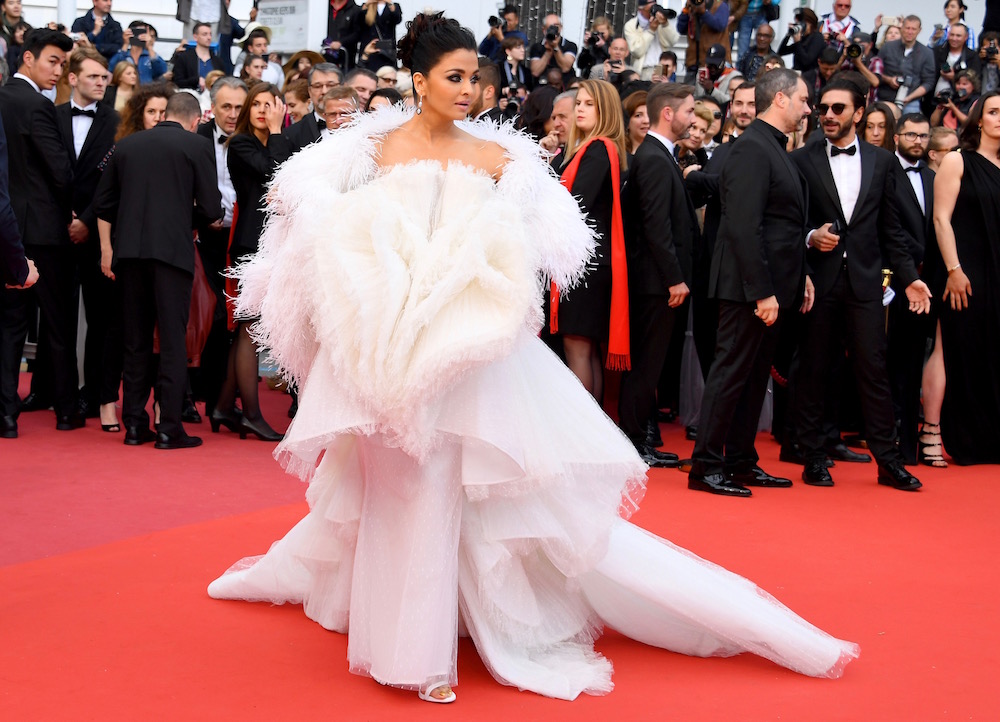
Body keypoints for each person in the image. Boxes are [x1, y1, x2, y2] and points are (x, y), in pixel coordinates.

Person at [206, 13, 859, 704]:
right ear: (418, 80)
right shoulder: (362, 150)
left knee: (432, 486)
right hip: (375, 347)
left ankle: (417, 655)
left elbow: (539, 250)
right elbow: (305, 216)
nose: (466, 89)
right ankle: (399, 617)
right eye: (452, 77)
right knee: (388, 488)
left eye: (473, 78)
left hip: (463, 349)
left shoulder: (500, 161)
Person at [791, 78, 931, 490]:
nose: (829, 115)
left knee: (873, 370)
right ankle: (814, 457)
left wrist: (910, 279)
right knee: (815, 369)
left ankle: (888, 461)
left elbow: (892, 229)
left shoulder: (882, 161)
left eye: (838, 109)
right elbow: (786, 221)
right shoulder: (802, 159)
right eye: (824, 108)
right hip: (819, 281)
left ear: (859, 110)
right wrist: (810, 236)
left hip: (867, 283)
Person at [689, 69, 809, 497]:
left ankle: (740, 462)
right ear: (780, 99)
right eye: (803, 100)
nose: (807, 108)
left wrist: (802, 277)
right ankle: (706, 465)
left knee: (754, 378)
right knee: (730, 375)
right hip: (748, 289)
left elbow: (786, 227)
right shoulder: (752, 149)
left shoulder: (772, 148)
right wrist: (761, 291)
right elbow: (742, 226)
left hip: (771, 288)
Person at [94, 91, 222, 450]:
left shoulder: (127, 146)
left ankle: (134, 425)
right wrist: (185, 217)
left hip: (130, 254)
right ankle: (169, 428)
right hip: (172, 254)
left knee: (134, 341)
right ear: (196, 120)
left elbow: (103, 203)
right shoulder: (196, 147)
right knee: (171, 340)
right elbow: (212, 209)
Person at [0, 28, 78, 438]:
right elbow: (61, 172)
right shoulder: (36, 105)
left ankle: (6, 415)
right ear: (28, 58)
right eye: (53, 60)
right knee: (57, 322)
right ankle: (66, 410)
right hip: (44, 232)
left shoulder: (3, 98)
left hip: (6, 228)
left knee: (10, 325)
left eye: (64, 64)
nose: (58, 70)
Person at [618, 83, 697, 468]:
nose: (693, 119)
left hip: (656, 282)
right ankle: (634, 446)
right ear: (668, 113)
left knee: (649, 368)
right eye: (689, 111)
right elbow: (655, 225)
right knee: (644, 369)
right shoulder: (652, 157)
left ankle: (639, 443)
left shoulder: (656, 155)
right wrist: (674, 278)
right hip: (655, 285)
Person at [210, 82, 290, 441]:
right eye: (255, 104)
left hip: (271, 245)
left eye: (268, 104)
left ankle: (225, 407)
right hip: (250, 245)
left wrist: (276, 135)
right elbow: (276, 175)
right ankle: (252, 415)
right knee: (249, 329)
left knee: (250, 328)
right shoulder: (240, 143)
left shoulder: (274, 142)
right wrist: (276, 131)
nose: (261, 110)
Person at [931, 89, 1000, 464]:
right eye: (993, 112)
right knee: (968, 352)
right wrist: (954, 271)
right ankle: (968, 441)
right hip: (966, 273)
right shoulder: (958, 161)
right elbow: (941, 219)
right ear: (978, 119)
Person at [549, 79, 629, 403]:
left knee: (578, 349)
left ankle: (585, 436)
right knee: (585, 350)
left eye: (588, 104)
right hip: (589, 263)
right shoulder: (591, 148)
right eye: (578, 103)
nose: (580, 108)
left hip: (586, 265)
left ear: (605, 109)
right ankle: (593, 437)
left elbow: (574, 203)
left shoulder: (598, 149)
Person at [55, 47, 120, 429]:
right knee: (56, 318)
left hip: (100, 235)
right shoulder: (52, 116)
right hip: (57, 231)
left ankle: (95, 394)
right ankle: (53, 392)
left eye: (104, 77)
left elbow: (112, 184)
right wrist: (67, 219)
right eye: (93, 76)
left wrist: (87, 220)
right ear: (72, 77)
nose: (100, 82)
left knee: (101, 320)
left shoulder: (116, 120)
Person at [885, 113, 936, 464]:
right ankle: (886, 440)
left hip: (927, 284)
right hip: (891, 282)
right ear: (897, 137)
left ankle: (907, 447)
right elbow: (887, 228)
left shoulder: (934, 178)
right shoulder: (885, 173)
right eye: (911, 135)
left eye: (923, 136)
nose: (917, 141)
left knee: (914, 362)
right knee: (888, 363)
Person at [195, 76, 246, 419]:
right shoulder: (195, 137)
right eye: (225, 107)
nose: (232, 114)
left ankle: (224, 397)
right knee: (207, 316)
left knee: (238, 319)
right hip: (204, 238)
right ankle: (202, 392)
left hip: (242, 239)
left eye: (239, 107)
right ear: (211, 107)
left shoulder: (253, 141)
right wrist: (200, 216)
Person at [877, 16, 937, 113]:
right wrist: (889, 80)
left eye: (913, 29)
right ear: (902, 28)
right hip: (885, 97)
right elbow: (875, 72)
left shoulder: (926, 53)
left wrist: (909, 98)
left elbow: (928, 82)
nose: (910, 32)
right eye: (907, 28)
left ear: (919, 30)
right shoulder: (888, 47)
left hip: (911, 101)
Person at [284, 63, 343, 151]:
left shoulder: (359, 127)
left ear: (343, 87)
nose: (324, 91)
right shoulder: (292, 134)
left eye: (331, 85)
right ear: (310, 91)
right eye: (317, 86)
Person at [677, 0, 732, 81]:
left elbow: (720, 25)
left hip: (714, 63)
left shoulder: (720, 5)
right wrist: (685, 10)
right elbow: (681, 29)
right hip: (693, 62)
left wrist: (703, 13)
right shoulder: (692, 6)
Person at [528, 13, 577, 87]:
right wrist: (548, 52)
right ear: (544, 30)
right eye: (550, 27)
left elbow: (565, 68)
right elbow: (535, 72)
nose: (553, 29)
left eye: (556, 26)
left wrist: (555, 47)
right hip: (543, 87)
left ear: (560, 28)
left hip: (564, 86)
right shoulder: (537, 47)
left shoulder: (570, 45)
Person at [173, 22, 224, 92]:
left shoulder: (217, 61)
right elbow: (177, 82)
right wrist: (196, 80)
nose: (209, 37)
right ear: (195, 37)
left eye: (210, 34)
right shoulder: (184, 58)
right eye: (205, 34)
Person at [777, 7, 824, 73]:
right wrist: (788, 34)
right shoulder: (802, 38)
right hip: (797, 74)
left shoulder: (817, 37)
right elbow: (781, 52)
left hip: (810, 77)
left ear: (810, 23)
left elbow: (806, 61)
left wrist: (797, 42)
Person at [323, 0, 364, 71]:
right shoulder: (325, 7)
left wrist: (341, 42)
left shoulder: (355, 10)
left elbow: (357, 34)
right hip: (327, 54)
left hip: (347, 57)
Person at [623, 89, 649, 154]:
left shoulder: (663, 154)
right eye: (638, 115)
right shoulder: (619, 155)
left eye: (650, 114)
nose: (646, 121)